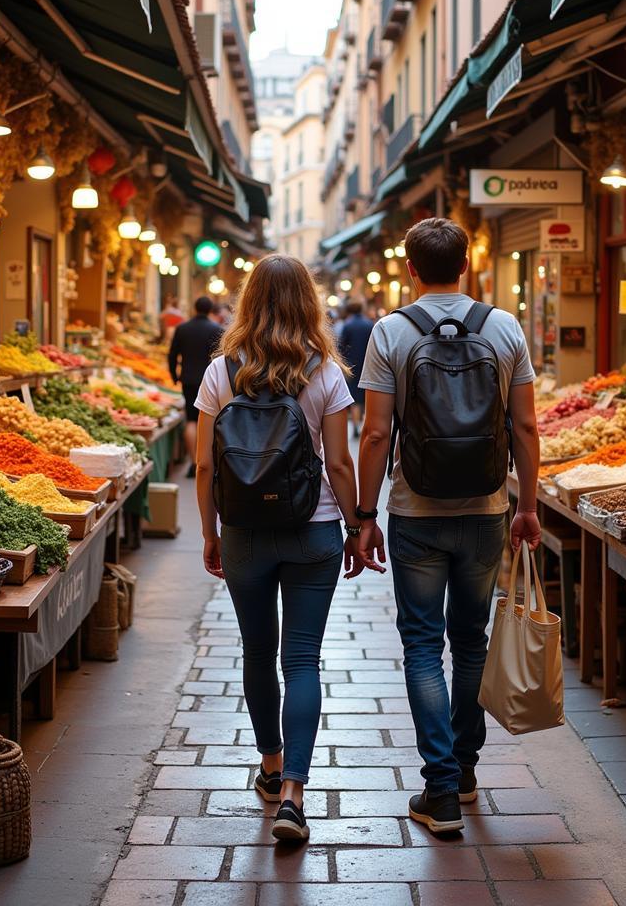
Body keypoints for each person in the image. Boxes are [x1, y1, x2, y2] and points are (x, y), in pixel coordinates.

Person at [355, 217, 542, 836]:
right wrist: (528, 506)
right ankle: (463, 769)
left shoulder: (391, 331)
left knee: (420, 645)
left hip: (415, 513)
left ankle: (437, 789)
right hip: (488, 511)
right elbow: (526, 429)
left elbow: (377, 432)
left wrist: (363, 514)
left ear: (411, 268)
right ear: (468, 264)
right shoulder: (504, 326)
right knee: (472, 639)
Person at [194, 255, 385, 843]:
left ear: (247, 302)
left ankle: (271, 769)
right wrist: (356, 525)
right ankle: (296, 797)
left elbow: (204, 466)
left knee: (258, 654)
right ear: (309, 302)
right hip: (314, 530)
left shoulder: (221, 373)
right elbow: (339, 461)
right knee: (301, 660)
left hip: (246, 533)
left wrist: (210, 533)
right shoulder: (325, 372)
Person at [168, 296, 223, 477]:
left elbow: (172, 354)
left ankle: (193, 461)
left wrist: (174, 376)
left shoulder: (182, 328)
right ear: (210, 310)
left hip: (188, 379)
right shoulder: (216, 329)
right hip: (210, 380)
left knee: (191, 419)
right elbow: (221, 358)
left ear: (194, 308)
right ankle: (205, 461)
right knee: (208, 420)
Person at [338, 299, 375, 439]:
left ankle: (355, 426)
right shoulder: (368, 324)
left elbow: (341, 347)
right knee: (367, 394)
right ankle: (365, 423)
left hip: (351, 365)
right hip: (368, 363)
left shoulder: (347, 325)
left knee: (353, 397)